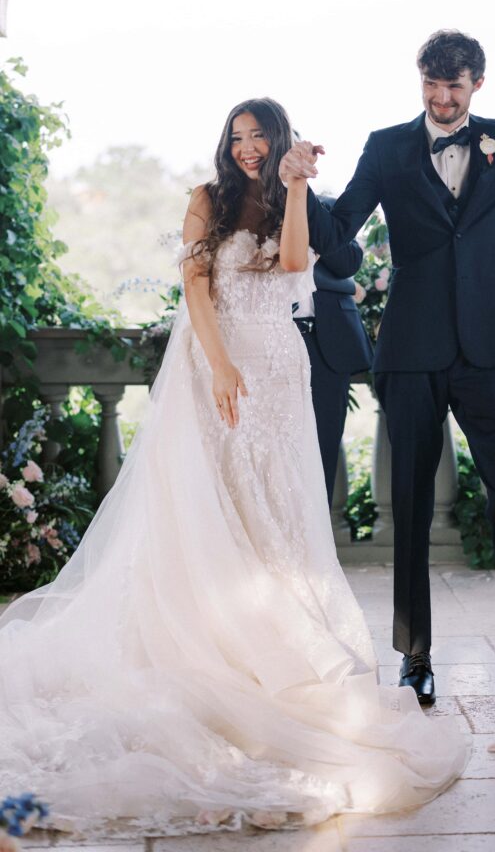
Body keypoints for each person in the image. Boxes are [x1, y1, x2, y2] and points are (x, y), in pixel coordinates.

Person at [0, 97, 470, 839]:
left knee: (273, 508)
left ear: (280, 142)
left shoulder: (289, 199)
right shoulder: (205, 199)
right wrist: (217, 367)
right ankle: (209, 638)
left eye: (260, 136)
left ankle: (271, 644)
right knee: (211, 502)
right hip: (216, 365)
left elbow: (292, 264)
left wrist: (292, 186)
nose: (247, 147)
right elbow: (194, 284)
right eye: (238, 136)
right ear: (226, 142)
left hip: (279, 369)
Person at [279, 32, 495, 713]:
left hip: (489, 351)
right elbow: (340, 237)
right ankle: (414, 659)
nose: (441, 100)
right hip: (410, 352)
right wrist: (296, 184)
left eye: (454, 88)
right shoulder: (386, 147)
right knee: (407, 506)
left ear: (476, 86)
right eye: (431, 88)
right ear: (420, 83)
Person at [293, 194, 373, 506]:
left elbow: (348, 262)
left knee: (322, 449)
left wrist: (309, 215)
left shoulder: (325, 207)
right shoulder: (248, 204)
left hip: (326, 343)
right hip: (267, 336)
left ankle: (316, 548)